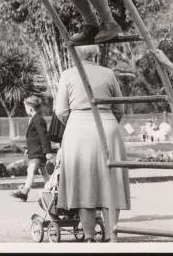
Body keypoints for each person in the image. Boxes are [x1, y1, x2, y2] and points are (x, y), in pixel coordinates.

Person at [54, 44, 130, 242]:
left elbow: (61, 111)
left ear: (75, 54)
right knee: (111, 181)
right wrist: (109, 121)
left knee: (83, 181)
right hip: (107, 125)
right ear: (96, 54)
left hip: (78, 128)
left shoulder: (68, 74)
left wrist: (75, 121)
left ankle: (89, 236)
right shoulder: (108, 73)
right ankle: (112, 235)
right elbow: (120, 108)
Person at [11, 95, 53, 201]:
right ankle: (51, 190)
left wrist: (48, 151)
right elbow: (34, 138)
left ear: (30, 108)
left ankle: (25, 191)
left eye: (25, 108)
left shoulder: (38, 119)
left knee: (31, 170)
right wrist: (28, 149)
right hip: (35, 151)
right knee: (43, 172)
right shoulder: (35, 119)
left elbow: (43, 136)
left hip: (38, 152)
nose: (25, 110)